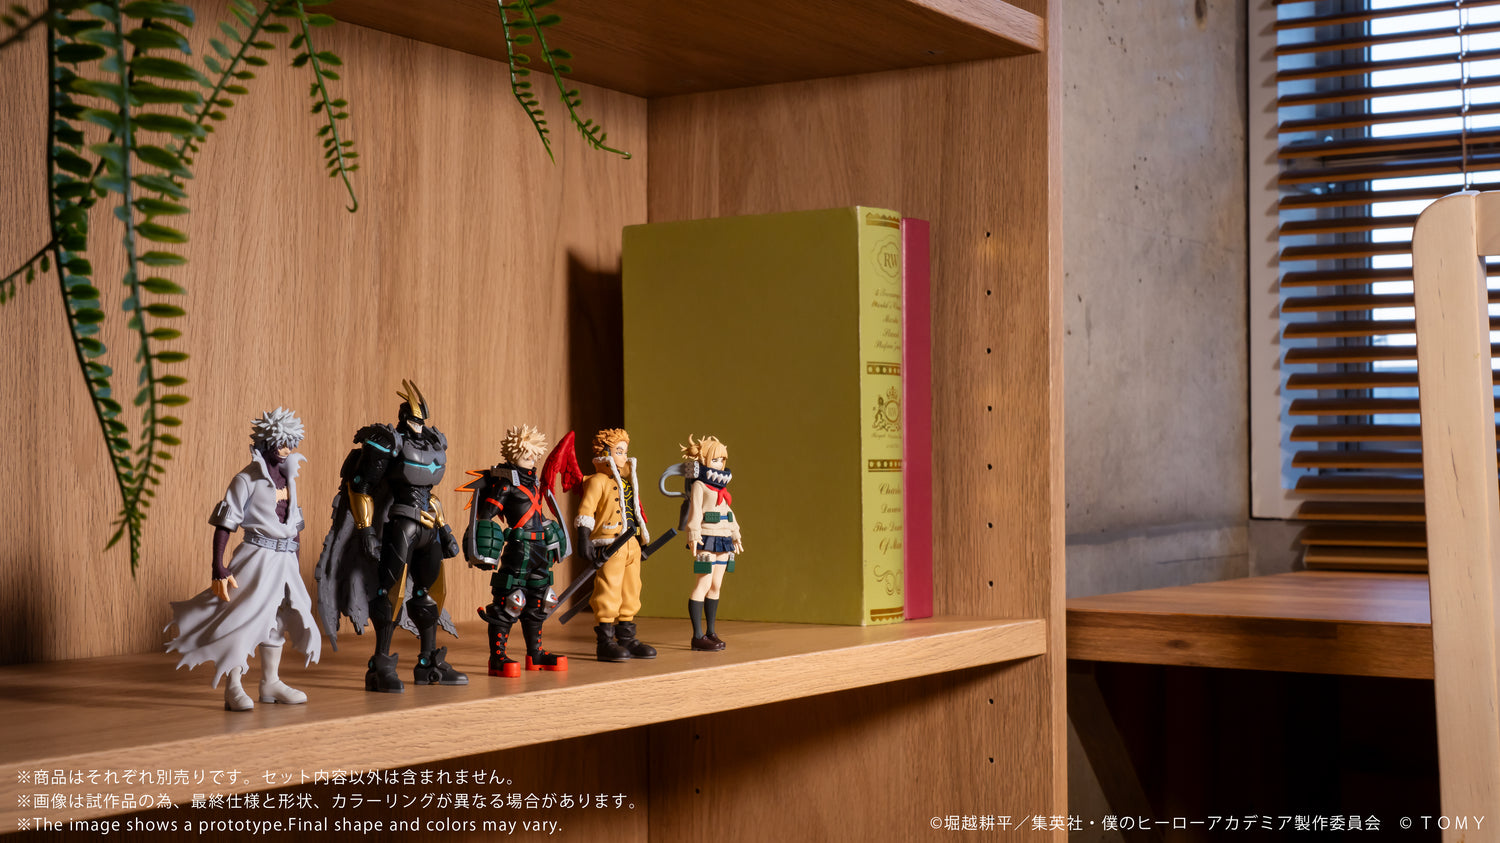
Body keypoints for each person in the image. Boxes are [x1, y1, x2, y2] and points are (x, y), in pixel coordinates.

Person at [166, 408, 321, 711]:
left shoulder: (290, 477)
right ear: (266, 441)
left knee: (279, 617)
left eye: (290, 444)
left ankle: (270, 682)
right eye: (280, 443)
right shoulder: (246, 479)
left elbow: (295, 524)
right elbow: (225, 523)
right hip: (256, 557)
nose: (286, 450)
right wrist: (218, 566)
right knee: (242, 617)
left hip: (285, 559)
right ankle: (233, 686)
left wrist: (296, 561)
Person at [462, 424, 568, 676]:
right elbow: (486, 515)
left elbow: (538, 515)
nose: (531, 458)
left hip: (540, 550)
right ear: (514, 453)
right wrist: (485, 544)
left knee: (541, 601)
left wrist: (553, 536)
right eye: (526, 454)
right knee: (511, 601)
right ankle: (498, 657)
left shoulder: (535, 484)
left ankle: (536, 654)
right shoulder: (505, 484)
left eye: (534, 454)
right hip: (518, 550)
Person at [575, 428, 656, 661]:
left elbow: (634, 512)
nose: (624, 456)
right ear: (605, 453)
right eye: (619, 451)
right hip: (610, 544)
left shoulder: (627, 483)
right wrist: (583, 538)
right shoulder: (597, 481)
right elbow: (586, 511)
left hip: (631, 544)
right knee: (608, 590)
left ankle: (627, 638)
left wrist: (641, 540)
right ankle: (605, 642)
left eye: (625, 451)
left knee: (631, 590)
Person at [680, 435, 742, 651]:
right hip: (706, 538)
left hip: (724, 540)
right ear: (704, 460)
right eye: (715, 459)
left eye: (722, 459)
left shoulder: (721, 488)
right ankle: (697, 636)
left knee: (716, 586)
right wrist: (693, 534)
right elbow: (695, 512)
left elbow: (728, 513)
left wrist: (735, 533)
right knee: (703, 585)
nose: (720, 463)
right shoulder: (700, 485)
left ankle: (711, 632)